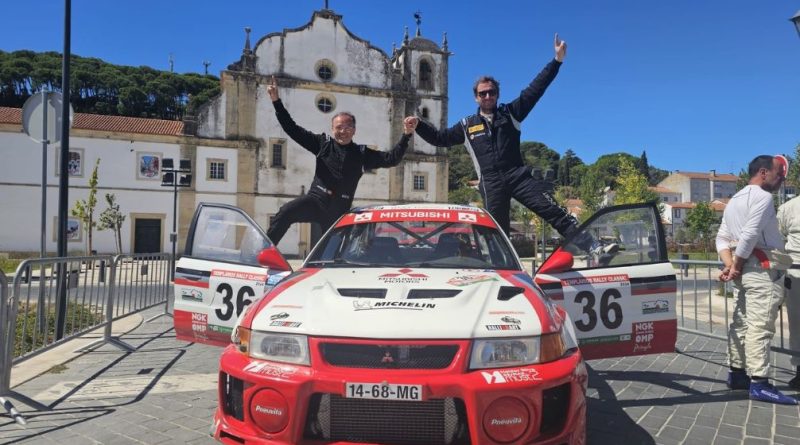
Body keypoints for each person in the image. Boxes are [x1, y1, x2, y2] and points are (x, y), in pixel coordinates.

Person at [404, 34, 611, 258]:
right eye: (482, 93)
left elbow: (535, 89)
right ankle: (501, 269)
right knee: (496, 232)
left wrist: (556, 61)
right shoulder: (467, 125)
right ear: (476, 98)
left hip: (518, 176)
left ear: (497, 94)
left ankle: (593, 246)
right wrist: (419, 125)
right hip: (490, 182)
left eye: (491, 92)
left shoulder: (510, 113)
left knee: (553, 210)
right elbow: (439, 138)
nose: (487, 96)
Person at [266, 76, 416, 244]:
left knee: (330, 251)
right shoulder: (322, 144)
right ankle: (266, 251)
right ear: (332, 129)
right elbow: (291, 128)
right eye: (338, 127)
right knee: (285, 212)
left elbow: (392, 159)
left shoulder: (362, 153)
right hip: (316, 200)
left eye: (347, 127)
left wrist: (406, 135)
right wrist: (276, 101)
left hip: (339, 209)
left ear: (354, 130)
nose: (342, 131)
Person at [716, 154, 795, 405]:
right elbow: (750, 234)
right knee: (760, 327)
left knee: (741, 324)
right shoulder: (763, 197)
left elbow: (721, 237)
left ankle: (737, 373)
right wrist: (736, 265)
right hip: (762, 269)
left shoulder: (735, 200)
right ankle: (759, 383)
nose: (781, 180)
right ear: (763, 172)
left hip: (746, 271)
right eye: (779, 175)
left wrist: (731, 266)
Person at [778, 193, 800, 389]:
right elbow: (778, 235)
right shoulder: (789, 207)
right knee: (797, 322)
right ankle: (799, 369)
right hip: (796, 271)